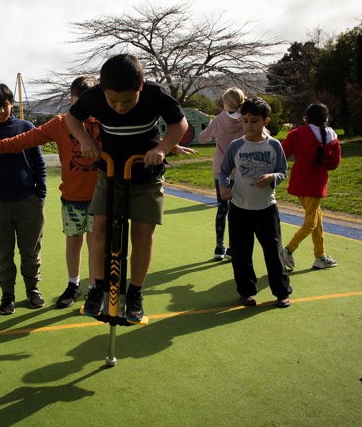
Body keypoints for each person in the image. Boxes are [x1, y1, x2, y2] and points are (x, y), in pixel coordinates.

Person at [65, 53, 189, 322]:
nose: (120, 107)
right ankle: (97, 288)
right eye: (113, 101)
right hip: (110, 172)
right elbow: (72, 119)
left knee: (143, 235)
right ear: (103, 90)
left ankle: (135, 293)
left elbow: (180, 123)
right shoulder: (95, 96)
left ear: (141, 87)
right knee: (99, 229)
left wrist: (162, 148)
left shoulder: (155, 94)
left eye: (127, 100)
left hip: (146, 174)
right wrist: (86, 141)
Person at [0, 76, 101, 309]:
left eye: (4, 104)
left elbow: (133, 138)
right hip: (68, 198)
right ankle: (66, 286)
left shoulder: (107, 122)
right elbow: (23, 141)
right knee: (67, 244)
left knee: (94, 245)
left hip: (99, 198)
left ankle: (92, 290)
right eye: (79, 99)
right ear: (71, 98)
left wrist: (166, 145)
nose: (1, 110)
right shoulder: (60, 123)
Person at [0, 83, 47, 315]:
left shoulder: (26, 127)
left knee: (31, 250)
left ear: (11, 103)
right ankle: (7, 295)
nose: (0, 111)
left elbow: (39, 164)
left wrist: (40, 195)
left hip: (28, 201)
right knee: (3, 252)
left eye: (3, 105)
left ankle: (32, 290)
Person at [219, 97, 292, 308]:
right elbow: (224, 171)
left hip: (266, 208)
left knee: (273, 251)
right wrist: (224, 187)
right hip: (240, 209)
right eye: (246, 120)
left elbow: (282, 171)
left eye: (255, 121)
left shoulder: (274, 146)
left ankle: (281, 292)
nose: (249, 125)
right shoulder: (236, 146)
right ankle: (246, 292)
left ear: (265, 121)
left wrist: (272, 178)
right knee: (241, 254)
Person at [281, 103, 341, 271]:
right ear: (326, 119)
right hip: (316, 183)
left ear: (307, 118)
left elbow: (282, 152)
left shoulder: (298, 133)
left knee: (316, 219)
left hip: (300, 181)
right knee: (311, 222)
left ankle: (320, 256)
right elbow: (333, 164)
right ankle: (288, 249)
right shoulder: (333, 137)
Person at [198, 87, 246, 261]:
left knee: (222, 208)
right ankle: (234, 247)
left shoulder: (217, 121)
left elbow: (202, 138)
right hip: (241, 170)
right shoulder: (246, 120)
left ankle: (219, 246)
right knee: (237, 209)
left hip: (221, 171)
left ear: (226, 103)